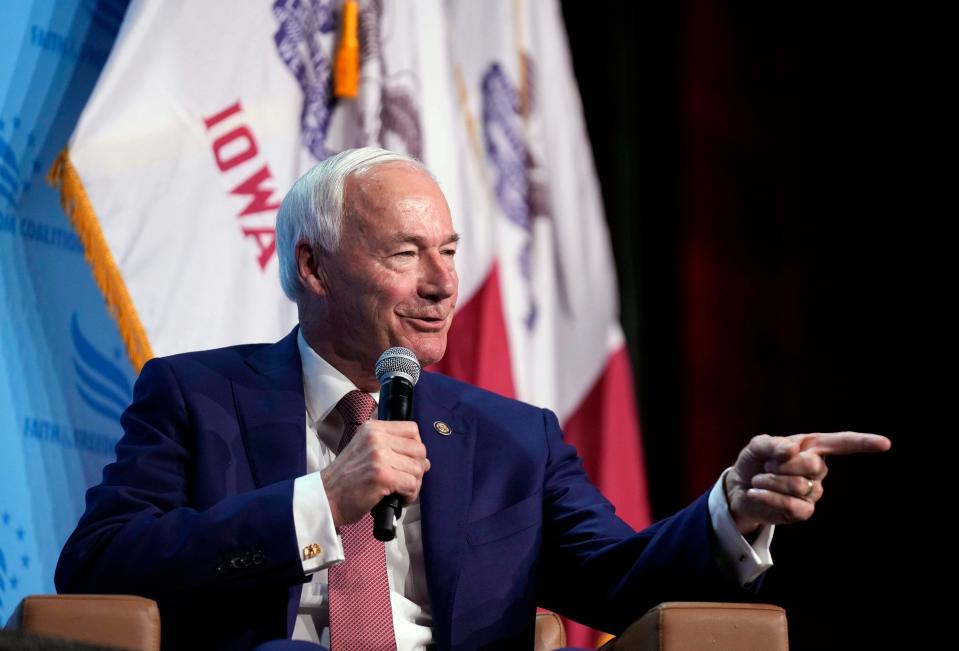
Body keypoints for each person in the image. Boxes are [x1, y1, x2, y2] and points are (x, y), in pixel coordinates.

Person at [55, 148, 890, 651]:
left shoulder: (511, 438)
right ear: (312, 268)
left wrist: (730, 510)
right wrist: (321, 502)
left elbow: (619, 579)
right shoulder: (196, 396)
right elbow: (99, 565)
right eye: (406, 253)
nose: (442, 283)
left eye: (449, 251)